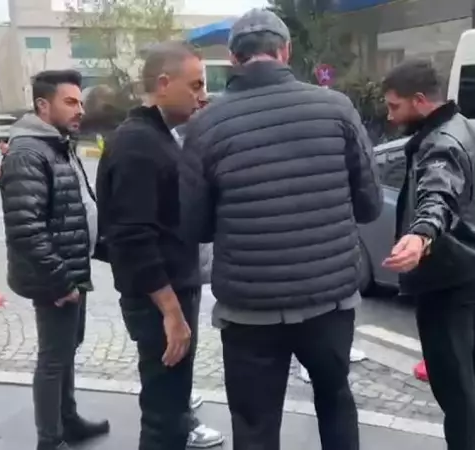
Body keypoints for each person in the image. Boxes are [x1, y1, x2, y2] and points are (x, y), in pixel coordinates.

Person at [181, 9, 383, 450]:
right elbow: (370, 205)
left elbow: (195, 225)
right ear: (286, 50)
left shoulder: (205, 125)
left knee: (255, 424)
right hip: (329, 299)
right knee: (335, 400)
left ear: (233, 58)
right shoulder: (336, 108)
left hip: (250, 308)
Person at [95, 41, 223, 450]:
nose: (203, 95)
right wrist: (172, 312)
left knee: (171, 407)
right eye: (196, 84)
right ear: (164, 84)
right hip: (159, 301)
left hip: (169, 293)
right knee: (165, 417)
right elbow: (132, 236)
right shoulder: (138, 144)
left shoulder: (155, 136)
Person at [379, 58, 475, 450]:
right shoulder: (467, 127)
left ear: (420, 100)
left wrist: (421, 235)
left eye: (395, 106)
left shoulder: (440, 143)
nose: (389, 116)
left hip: (450, 273)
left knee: (453, 378)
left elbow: (439, 192)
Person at [0, 69, 110, 450]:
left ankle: (68, 420)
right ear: (42, 106)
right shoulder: (29, 154)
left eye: (80, 102)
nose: (80, 109)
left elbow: (75, 208)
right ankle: (50, 439)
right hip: (55, 276)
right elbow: (25, 229)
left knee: (66, 350)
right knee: (52, 358)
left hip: (70, 267)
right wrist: (61, 281)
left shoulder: (57, 145)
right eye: (70, 102)